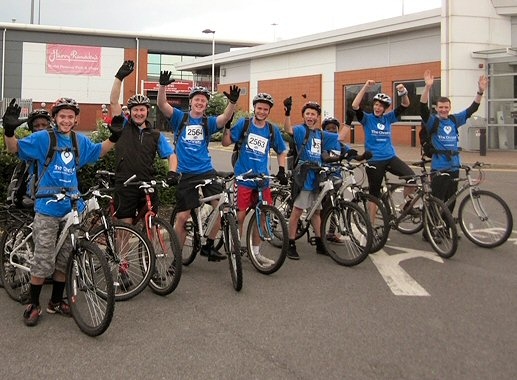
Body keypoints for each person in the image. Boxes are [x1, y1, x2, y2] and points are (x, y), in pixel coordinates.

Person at [3, 97, 121, 327]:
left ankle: (55, 302)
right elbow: (14, 148)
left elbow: (100, 151)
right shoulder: (43, 138)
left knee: (66, 259)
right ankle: (34, 304)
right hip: (47, 207)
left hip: (71, 208)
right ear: (55, 118)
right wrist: (8, 131)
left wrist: (114, 136)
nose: (66, 120)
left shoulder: (79, 141)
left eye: (70, 116)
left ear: (76, 119)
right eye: (62, 116)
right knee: (44, 258)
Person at [157, 70, 239, 262]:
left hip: (206, 171)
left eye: (203, 101)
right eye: (197, 100)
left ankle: (209, 245)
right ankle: (176, 258)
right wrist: (162, 87)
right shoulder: (180, 118)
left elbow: (224, 119)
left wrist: (232, 103)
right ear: (191, 102)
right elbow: (162, 105)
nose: (200, 103)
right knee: (183, 217)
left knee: (222, 207)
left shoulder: (207, 122)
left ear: (206, 104)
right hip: (184, 173)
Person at [221, 92, 288, 265]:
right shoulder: (245, 124)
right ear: (254, 108)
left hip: (262, 180)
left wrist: (281, 169)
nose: (262, 111)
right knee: (240, 217)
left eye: (265, 109)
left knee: (263, 218)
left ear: (269, 111)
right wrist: (227, 126)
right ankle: (235, 249)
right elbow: (226, 143)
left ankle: (255, 252)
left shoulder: (271, 130)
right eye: (259, 108)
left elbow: (282, 150)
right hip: (243, 179)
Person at [283, 100, 349, 260]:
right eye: (307, 114)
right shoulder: (300, 130)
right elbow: (288, 129)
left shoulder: (320, 134)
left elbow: (340, 137)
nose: (310, 117)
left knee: (316, 211)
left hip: (317, 176)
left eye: (313, 114)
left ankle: (320, 243)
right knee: (298, 210)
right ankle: (290, 243)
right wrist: (287, 113)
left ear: (318, 117)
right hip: (304, 175)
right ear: (304, 116)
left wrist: (349, 121)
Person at [419, 69, 488, 213]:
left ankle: (446, 228)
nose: (443, 110)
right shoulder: (433, 122)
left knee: (451, 200)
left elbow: (472, 109)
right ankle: (430, 232)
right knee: (437, 200)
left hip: (454, 166)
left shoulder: (454, 120)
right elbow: (422, 109)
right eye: (441, 107)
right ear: (436, 108)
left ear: (450, 108)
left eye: (446, 107)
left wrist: (480, 92)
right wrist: (427, 87)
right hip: (439, 167)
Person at [351, 80, 415, 211]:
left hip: (390, 157)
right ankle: (371, 228)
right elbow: (355, 105)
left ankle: (406, 205)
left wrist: (403, 92)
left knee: (412, 178)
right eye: (376, 104)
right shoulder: (367, 119)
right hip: (374, 160)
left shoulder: (388, 118)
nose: (378, 108)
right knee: (374, 196)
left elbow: (405, 104)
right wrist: (365, 87)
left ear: (385, 108)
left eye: (381, 106)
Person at [4, 106, 53, 208]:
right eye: (36, 125)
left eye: (44, 125)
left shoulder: (58, 144)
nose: (40, 128)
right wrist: (9, 131)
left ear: (50, 126)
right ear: (31, 128)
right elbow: (13, 148)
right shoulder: (31, 145)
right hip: (32, 198)